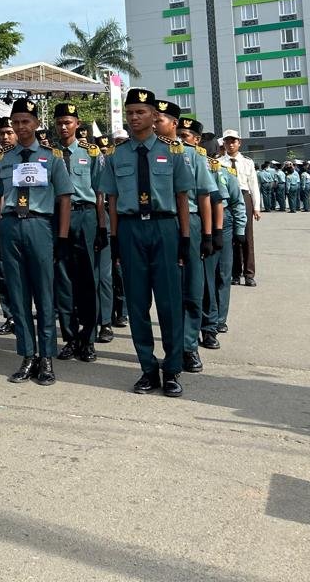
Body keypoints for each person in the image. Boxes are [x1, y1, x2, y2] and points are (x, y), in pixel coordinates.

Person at [97, 87, 192, 398]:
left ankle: (173, 368)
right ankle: (148, 369)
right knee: (137, 304)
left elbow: (181, 199)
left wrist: (184, 239)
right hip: (129, 230)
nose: (134, 117)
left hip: (164, 228)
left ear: (154, 116)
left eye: (141, 112)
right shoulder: (116, 155)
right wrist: (112, 238)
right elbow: (111, 200)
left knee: (168, 303)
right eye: (130, 113)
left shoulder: (173, 152)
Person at [0, 99, 73, 386]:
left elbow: (64, 199)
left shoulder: (52, 158)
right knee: (18, 293)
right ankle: (27, 356)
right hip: (11, 225)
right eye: (16, 122)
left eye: (26, 121)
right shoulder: (3, 159)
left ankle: (46, 357)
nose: (21, 127)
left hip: (40, 226)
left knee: (44, 295)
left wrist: (62, 238)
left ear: (36, 124)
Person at [164, 110, 216, 376]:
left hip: (192, 221)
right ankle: (173, 346)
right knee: (167, 289)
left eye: (186, 135)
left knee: (192, 288)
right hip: (164, 223)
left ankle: (189, 347)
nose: (182, 139)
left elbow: (205, 196)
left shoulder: (194, 156)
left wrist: (208, 235)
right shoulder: (151, 153)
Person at [51, 102, 101, 364]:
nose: (63, 126)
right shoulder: (49, 154)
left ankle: (88, 339)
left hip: (85, 216)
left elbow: (100, 192)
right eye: (59, 122)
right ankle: (70, 338)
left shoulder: (90, 153)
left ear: (77, 124)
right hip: (58, 216)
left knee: (87, 280)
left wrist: (102, 226)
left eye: (68, 122)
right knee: (63, 281)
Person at [204, 143, 245, 343]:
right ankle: (209, 319)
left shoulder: (225, 173)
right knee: (206, 275)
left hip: (225, 223)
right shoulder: (192, 168)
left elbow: (237, 202)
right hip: (201, 221)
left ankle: (220, 319)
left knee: (223, 273)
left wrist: (240, 230)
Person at [95, 133, 126, 340]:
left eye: (108, 150)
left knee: (115, 274)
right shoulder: (96, 164)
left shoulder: (117, 163)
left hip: (119, 220)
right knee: (98, 275)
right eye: (102, 151)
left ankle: (119, 313)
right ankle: (99, 318)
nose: (105, 154)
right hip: (98, 219)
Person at [219, 129, 260, 286]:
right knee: (231, 236)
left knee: (247, 237)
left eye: (233, 141)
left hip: (244, 197)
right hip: (227, 198)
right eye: (227, 141)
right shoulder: (219, 162)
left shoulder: (247, 162)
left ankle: (249, 274)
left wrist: (256, 207)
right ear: (224, 143)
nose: (231, 144)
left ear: (239, 143)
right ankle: (235, 273)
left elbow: (253, 185)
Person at [0, 115, 16, 336]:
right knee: (3, 275)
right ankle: (11, 316)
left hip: (28, 223)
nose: (6, 137)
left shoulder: (35, 157)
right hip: (3, 225)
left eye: (9, 133)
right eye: (2, 133)